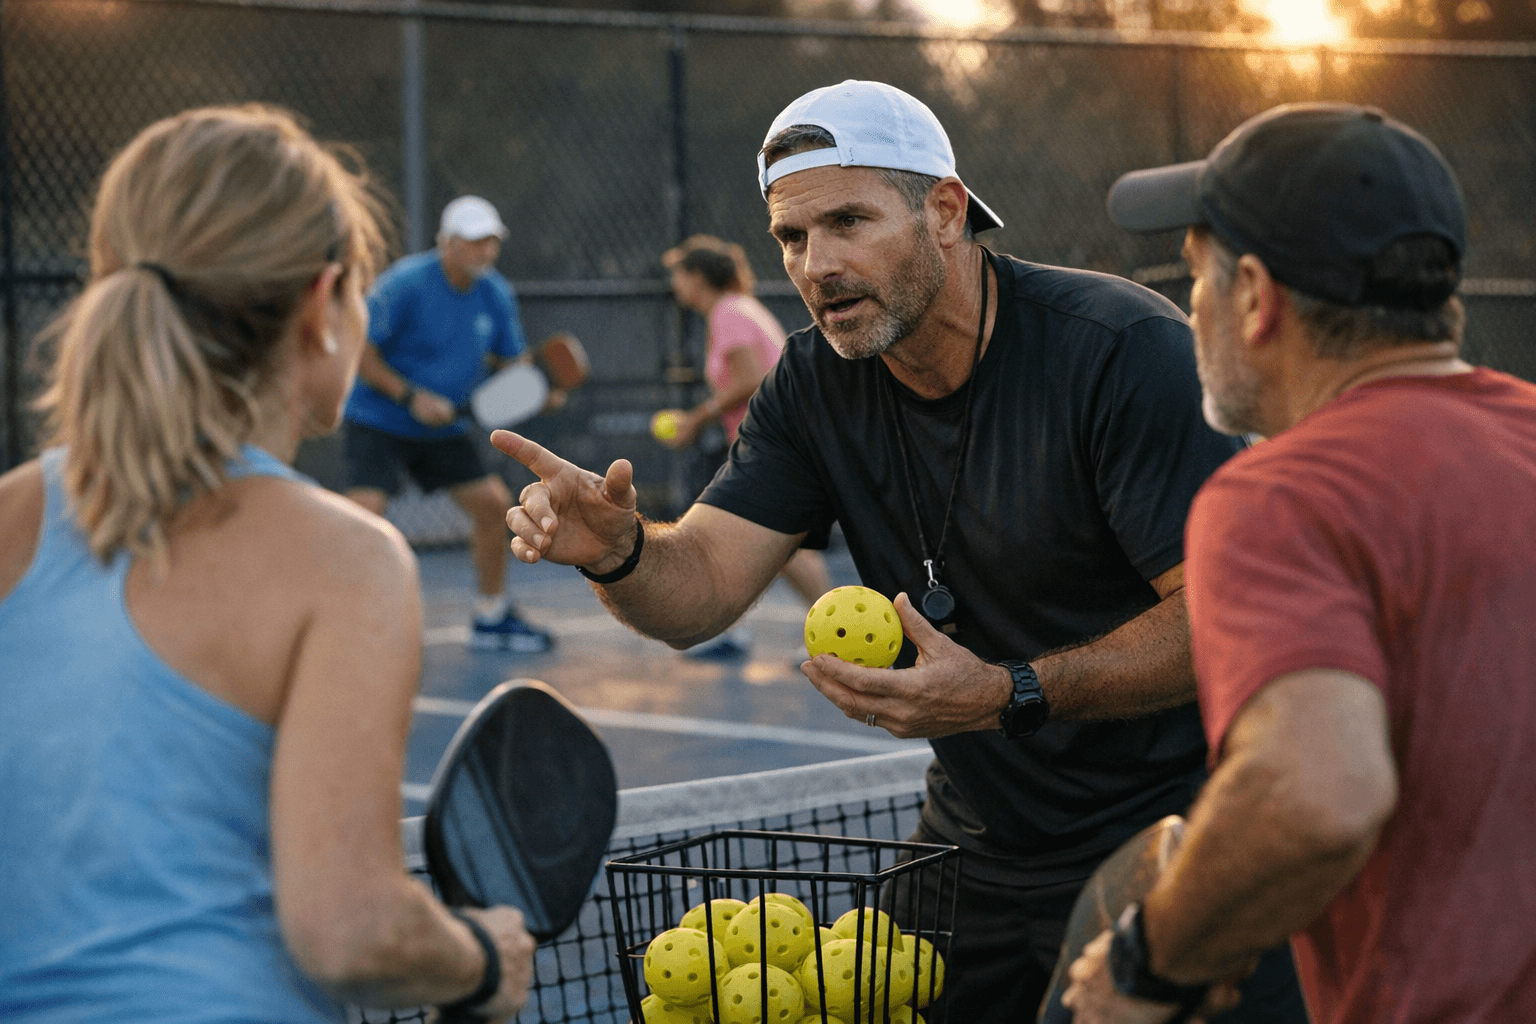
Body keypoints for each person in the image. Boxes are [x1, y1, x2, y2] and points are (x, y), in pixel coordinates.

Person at [492, 80, 1304, 1022]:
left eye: (848, 221)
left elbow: (1227, 622)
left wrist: (1011, 693)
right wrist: (621, 553)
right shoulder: (811, 381)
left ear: (945, 211)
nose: (816, 264)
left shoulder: (1120, 352)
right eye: (792, 238)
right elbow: (701, 586)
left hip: (1178, 840)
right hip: (973, 842)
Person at [0, 105, 534, 1022]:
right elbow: (352, 932)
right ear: (325, 308)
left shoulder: (7, 516)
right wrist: (484, 957)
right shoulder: (348, 563)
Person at [1061, 103, 1536, 1024]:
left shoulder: (1281, 497)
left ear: (1254, 296)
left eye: (1194, 273)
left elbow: (1314, 793)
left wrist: (1148, 963)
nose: (1189, 306)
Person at [341, 194, 553, 653]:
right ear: (447, 244)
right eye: (476, 242)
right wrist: (410, 396)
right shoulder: (405, 284)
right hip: (379, 418)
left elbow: (515, 361)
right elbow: (361, 352)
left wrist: (535, 385)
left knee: (493, 506)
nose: (486, 252)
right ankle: (342, 620)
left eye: (492, 242)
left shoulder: (494, 292)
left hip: (445, 429)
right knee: (363, 516)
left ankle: (490, 616)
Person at [656, 233, 833, 659]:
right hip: (778, 440)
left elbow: (749, 379)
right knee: (772, 545)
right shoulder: (737, 309)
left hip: (778, 444)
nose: (675, 285)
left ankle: (836, 635)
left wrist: (693, 421)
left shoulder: (728, 312)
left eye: (678, 274)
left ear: (697, 277)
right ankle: (739, 630)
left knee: (780, 546)